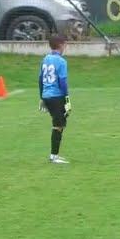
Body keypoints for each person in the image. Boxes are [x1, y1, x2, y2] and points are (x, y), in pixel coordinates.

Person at [38, 33, 71, 164]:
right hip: (56, 96)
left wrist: (42, 97)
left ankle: (55, 154)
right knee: (58, 124)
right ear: (61, 45)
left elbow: (40, 79)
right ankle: (54, 156)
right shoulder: (62, 62)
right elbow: (62, 82)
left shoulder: (45, 59)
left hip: (47, 96)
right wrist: (67, 98)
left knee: (61, 123)